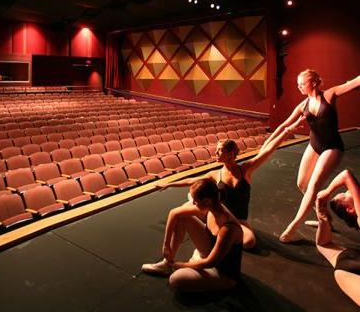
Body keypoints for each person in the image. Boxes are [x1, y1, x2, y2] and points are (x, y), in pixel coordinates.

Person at [150, 115, 305, 250]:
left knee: (249, 242)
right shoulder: (215, 174)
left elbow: (268, 150)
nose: (215, 153)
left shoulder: (246, 170)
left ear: (231, 154)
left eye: (219, 150)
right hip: (219, 215)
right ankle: (198, 210)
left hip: (238, 219)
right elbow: (192, 180)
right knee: (186, 210)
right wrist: (168, 183)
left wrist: (287, 131)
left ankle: (210, 225)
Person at [267, 70, 359, 243]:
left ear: (314, 83)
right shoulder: (303, 106)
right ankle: (324, 218)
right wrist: (266, 145)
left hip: (332, 147)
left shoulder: (330, 95)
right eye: (298, 83)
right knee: (302, 184)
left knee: (315, 184)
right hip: (314, 145)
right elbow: (283, 126)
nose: (298, 86)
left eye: (302, 83)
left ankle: (293, 225)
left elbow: (352, 83)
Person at [142, 178, 243, 293]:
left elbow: (211, 262)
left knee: (176, 279)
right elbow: (174, 213)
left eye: (195, 201)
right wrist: (166, 245)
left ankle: (187, 267)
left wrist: (180, 265)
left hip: (222, 272)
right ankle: (166, 265)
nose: (193, 203)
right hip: (209, 252)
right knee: (182, 217)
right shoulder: (212, 207)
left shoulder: (228, 228)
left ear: (206, 201)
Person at [315, 170, 360, 306]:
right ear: (351, 209)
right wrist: (327, 192)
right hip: (349, 266)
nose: (349, 190)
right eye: (347, 193)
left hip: (350, 262)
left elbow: (323, 244)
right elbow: (346, 175)